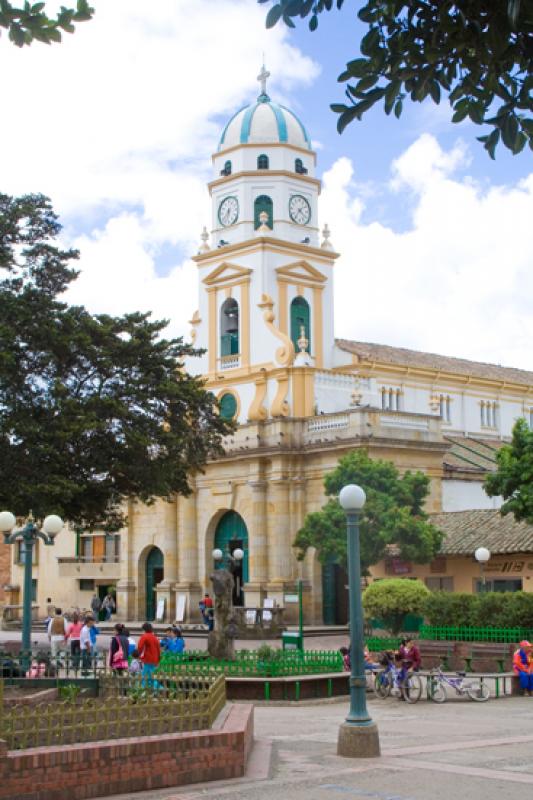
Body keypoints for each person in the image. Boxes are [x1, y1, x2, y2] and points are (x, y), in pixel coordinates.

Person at [138, 622, 161, 688]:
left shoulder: (144, 636)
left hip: (148, 659)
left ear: (144, 629)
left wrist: (138, 655)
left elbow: (140, 647)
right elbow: (158, 649)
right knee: (151, 675)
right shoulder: (154, 637)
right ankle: (157, 690)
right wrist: (158, 659)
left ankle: (144, 690)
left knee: (144, 676)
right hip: (155, 659)